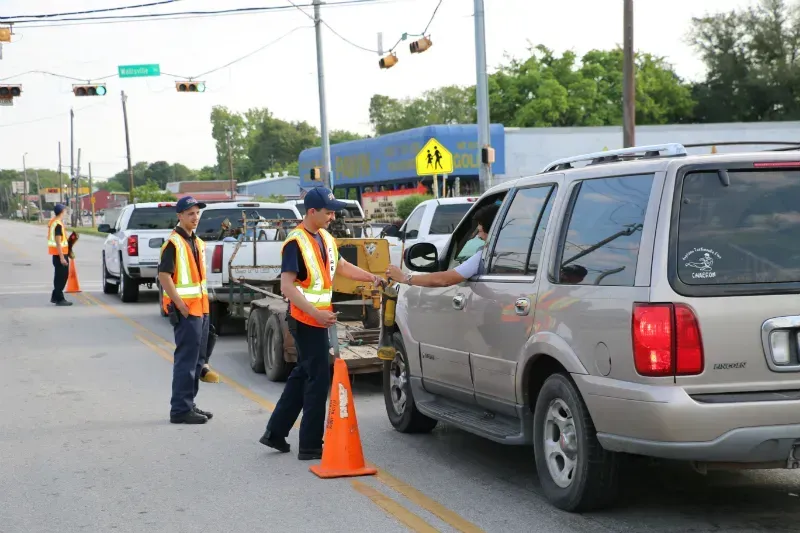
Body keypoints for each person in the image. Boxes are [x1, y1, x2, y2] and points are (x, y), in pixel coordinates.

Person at [259, 187, 384, 460]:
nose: (332, 216)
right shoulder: (295, 242)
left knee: (304, 374)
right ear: (312, 212)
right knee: (318, 380)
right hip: (306, 320)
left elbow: (341, 268)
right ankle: (311, 446)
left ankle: (275, 432)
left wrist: (371, 277)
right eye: (328, 212)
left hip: (317, 318)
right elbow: (287, 287)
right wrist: (316, 314)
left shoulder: (325, 238)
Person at [157, 196, 216, 425]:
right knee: (186, 360)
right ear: (179, 216)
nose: (195, 217)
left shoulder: (197, 242)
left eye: (197, 213)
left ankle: (189, 404)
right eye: (190, 213)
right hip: (186, 310)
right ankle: (180, 409)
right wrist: (179, 304)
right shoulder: (173, 243)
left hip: (200, 308)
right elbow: (164, 275)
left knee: (198, 360)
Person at [386, 203, 500, 287]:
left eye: (480, 231)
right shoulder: (507, 253)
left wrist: (405, 277)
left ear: (492, 231)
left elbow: (445, 280)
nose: (478, 237)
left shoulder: (486, 255)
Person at [48, 204, 73, 306]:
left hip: (58, 254)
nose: (66, 212)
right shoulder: (57, 224)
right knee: (62, 277)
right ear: (62, 212)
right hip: (60, 255)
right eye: (65, 210)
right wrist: (62, 258)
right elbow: (58, 242)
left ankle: (55, 297)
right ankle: (59, 299)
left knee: (59, 276)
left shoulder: (55, 222)